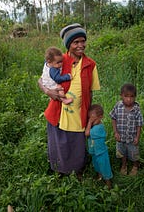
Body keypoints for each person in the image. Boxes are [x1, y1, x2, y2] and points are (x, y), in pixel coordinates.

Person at [38, 23, 100, 178]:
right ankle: (59, 170)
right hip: (58, 111)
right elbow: (41, 80)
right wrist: (49, 92)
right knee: (59, 142)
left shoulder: (90, 65)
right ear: (68, 45)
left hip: (79, 112)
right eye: (75, 42)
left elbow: (90, 92)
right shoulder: (60, 59)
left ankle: (78, 171)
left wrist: (89, 114)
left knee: (76, 144)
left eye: (83, 41)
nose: (81, 45)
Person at [109, 83, 144, 176]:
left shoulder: (136, 109)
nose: (129, 99)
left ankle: (135, 165)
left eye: (132, 97)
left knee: (134, 154)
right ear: (121, 96)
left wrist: (137, 137)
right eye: (126, 96)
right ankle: (124, 165)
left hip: (132, 138)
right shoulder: (118, 106)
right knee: (122, 152)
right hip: (120, 137)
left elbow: (139, 124)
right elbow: (113, 118)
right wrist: (115, 132)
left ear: (135, 97)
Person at [85, 104, 113, 189]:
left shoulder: (98, 128)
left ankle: (108, 184)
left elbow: (86, 133)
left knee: (105, 168)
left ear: (101, 117)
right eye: (90, 119)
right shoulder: (94, 126)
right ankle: (100, 177)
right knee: (97, 166)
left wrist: (89, 122)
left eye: (94, 120)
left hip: (101, 153)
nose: (92, 122)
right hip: (95, 152)